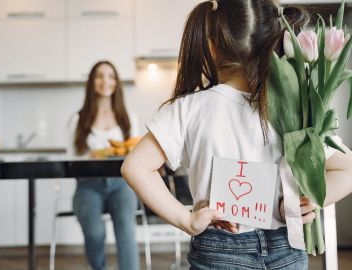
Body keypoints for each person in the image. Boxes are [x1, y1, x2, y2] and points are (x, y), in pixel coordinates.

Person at [121, 1, 352, 269]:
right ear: (274, 42)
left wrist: (186, 221)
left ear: (212, 44)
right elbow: (347, 170)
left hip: (218, 248)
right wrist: (308, 199)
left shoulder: (188, 109)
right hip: (286, 247)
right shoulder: (295, 109)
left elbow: (135, 167)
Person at [67, 60, 140, 270]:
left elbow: (136, 155)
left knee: (126, 232)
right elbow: (71, 160)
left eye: (110, 76)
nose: (105, 81)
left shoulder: (129, 118)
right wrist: (89, 157)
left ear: (116, 82)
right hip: (88, 186)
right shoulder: (78, 119)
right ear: (91, 82)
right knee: (94, 233)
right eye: (99, 76)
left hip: (122, 185)